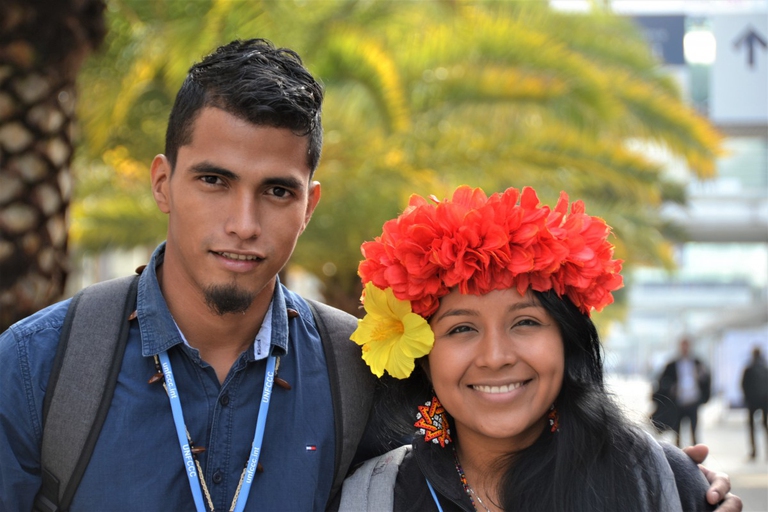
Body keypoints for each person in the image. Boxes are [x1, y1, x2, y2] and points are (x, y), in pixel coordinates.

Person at [0, 39, 741, 512]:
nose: (244, 222)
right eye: (214, 181)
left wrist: (664, 475)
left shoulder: (363, 369)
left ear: (311, 204)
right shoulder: (43, 368)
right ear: (163, 183)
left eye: (277, 190)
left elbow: (505, 416)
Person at [333, 185, 735, 512]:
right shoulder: (373, 498)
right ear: (423, 358)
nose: (496, 356)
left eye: (525, 322)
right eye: (462, 328)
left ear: (567, 340)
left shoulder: (657, 482)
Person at [657, 338, 712, 447]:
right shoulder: (672, 365)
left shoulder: (697, 363)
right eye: (683, 346)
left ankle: (696, 454)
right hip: (678, 403)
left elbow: (706, 379)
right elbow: (662, 381)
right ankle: (678, 456)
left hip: (693, 401)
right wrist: (671, 388)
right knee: (677, 432)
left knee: (694, 432)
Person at [741, 346, 768, 460]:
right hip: (764, 401)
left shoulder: (749, 368)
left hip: (752, 401)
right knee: (765, 426)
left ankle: (753, 451)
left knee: (752, 426)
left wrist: (747, 397)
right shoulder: (765, 368)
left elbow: (743, 384)